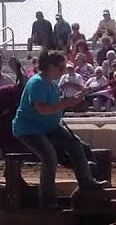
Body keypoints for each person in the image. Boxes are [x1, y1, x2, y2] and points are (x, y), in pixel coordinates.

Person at [11, 50, 101, 209]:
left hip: (49, 127)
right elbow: (42, 109)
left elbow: (55, 104)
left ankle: (87, 183)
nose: (63, 71)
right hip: (30, 129)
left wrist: (71, 101)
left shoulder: (51, 84)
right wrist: (65, 103)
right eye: (60, 68)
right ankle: (47, 200)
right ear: (50, 66)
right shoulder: (37, 83)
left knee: (76, 145)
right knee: (49, 156)